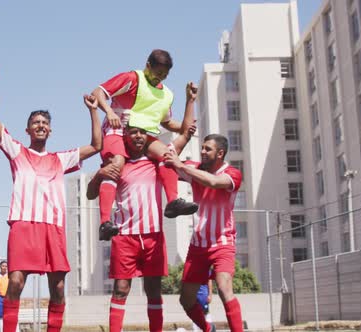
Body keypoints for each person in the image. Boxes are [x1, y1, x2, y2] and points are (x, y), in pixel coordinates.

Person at [0, 66, 102, 332]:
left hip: (53, 227)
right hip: (23, 224)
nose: (41, 125)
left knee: (58, 289)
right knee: (15, 283)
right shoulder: (17, 152)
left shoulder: (59, 159)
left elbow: (96, 145)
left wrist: (93, 110)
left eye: (45, 123)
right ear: (27, 129)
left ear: (50, 131)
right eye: (36, 122)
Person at [87, 82, 197, 332]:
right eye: (133, 131)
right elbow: (91, 193)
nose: (137, 136)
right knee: (121, 289)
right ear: (125, 135)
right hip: (125, 236)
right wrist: (98, 174)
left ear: (147, 136)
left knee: (153, 290)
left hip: (153, 235)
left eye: (142, 133)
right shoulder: (116, 165)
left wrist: (190, 100)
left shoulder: (155, 161)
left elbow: (185, 133)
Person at [92, 49, 198, 241]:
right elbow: (98, 92)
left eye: (164, 76)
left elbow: (169, 124)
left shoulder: (165, 94)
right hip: (118, 129)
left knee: (168, 155)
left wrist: (190, 101)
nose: (160, 78)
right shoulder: (131, 79)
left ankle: (173, 201)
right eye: (157, 74)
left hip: (141, 132)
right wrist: (108, 111)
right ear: (147, 66)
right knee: (116, 164)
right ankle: (105, 222)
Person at [164, 134, 244, 332]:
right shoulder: (195, 169)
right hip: (198, 245)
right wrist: (184, 131)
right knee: (186, 299)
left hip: (222, 242)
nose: (202, 151)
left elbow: (215, 182)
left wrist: (181, 166)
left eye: (207, 149)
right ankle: (208, 330)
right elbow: (168, 158)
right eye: (202, 147)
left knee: (225, 288)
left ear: (220, 153)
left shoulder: (233, 173)